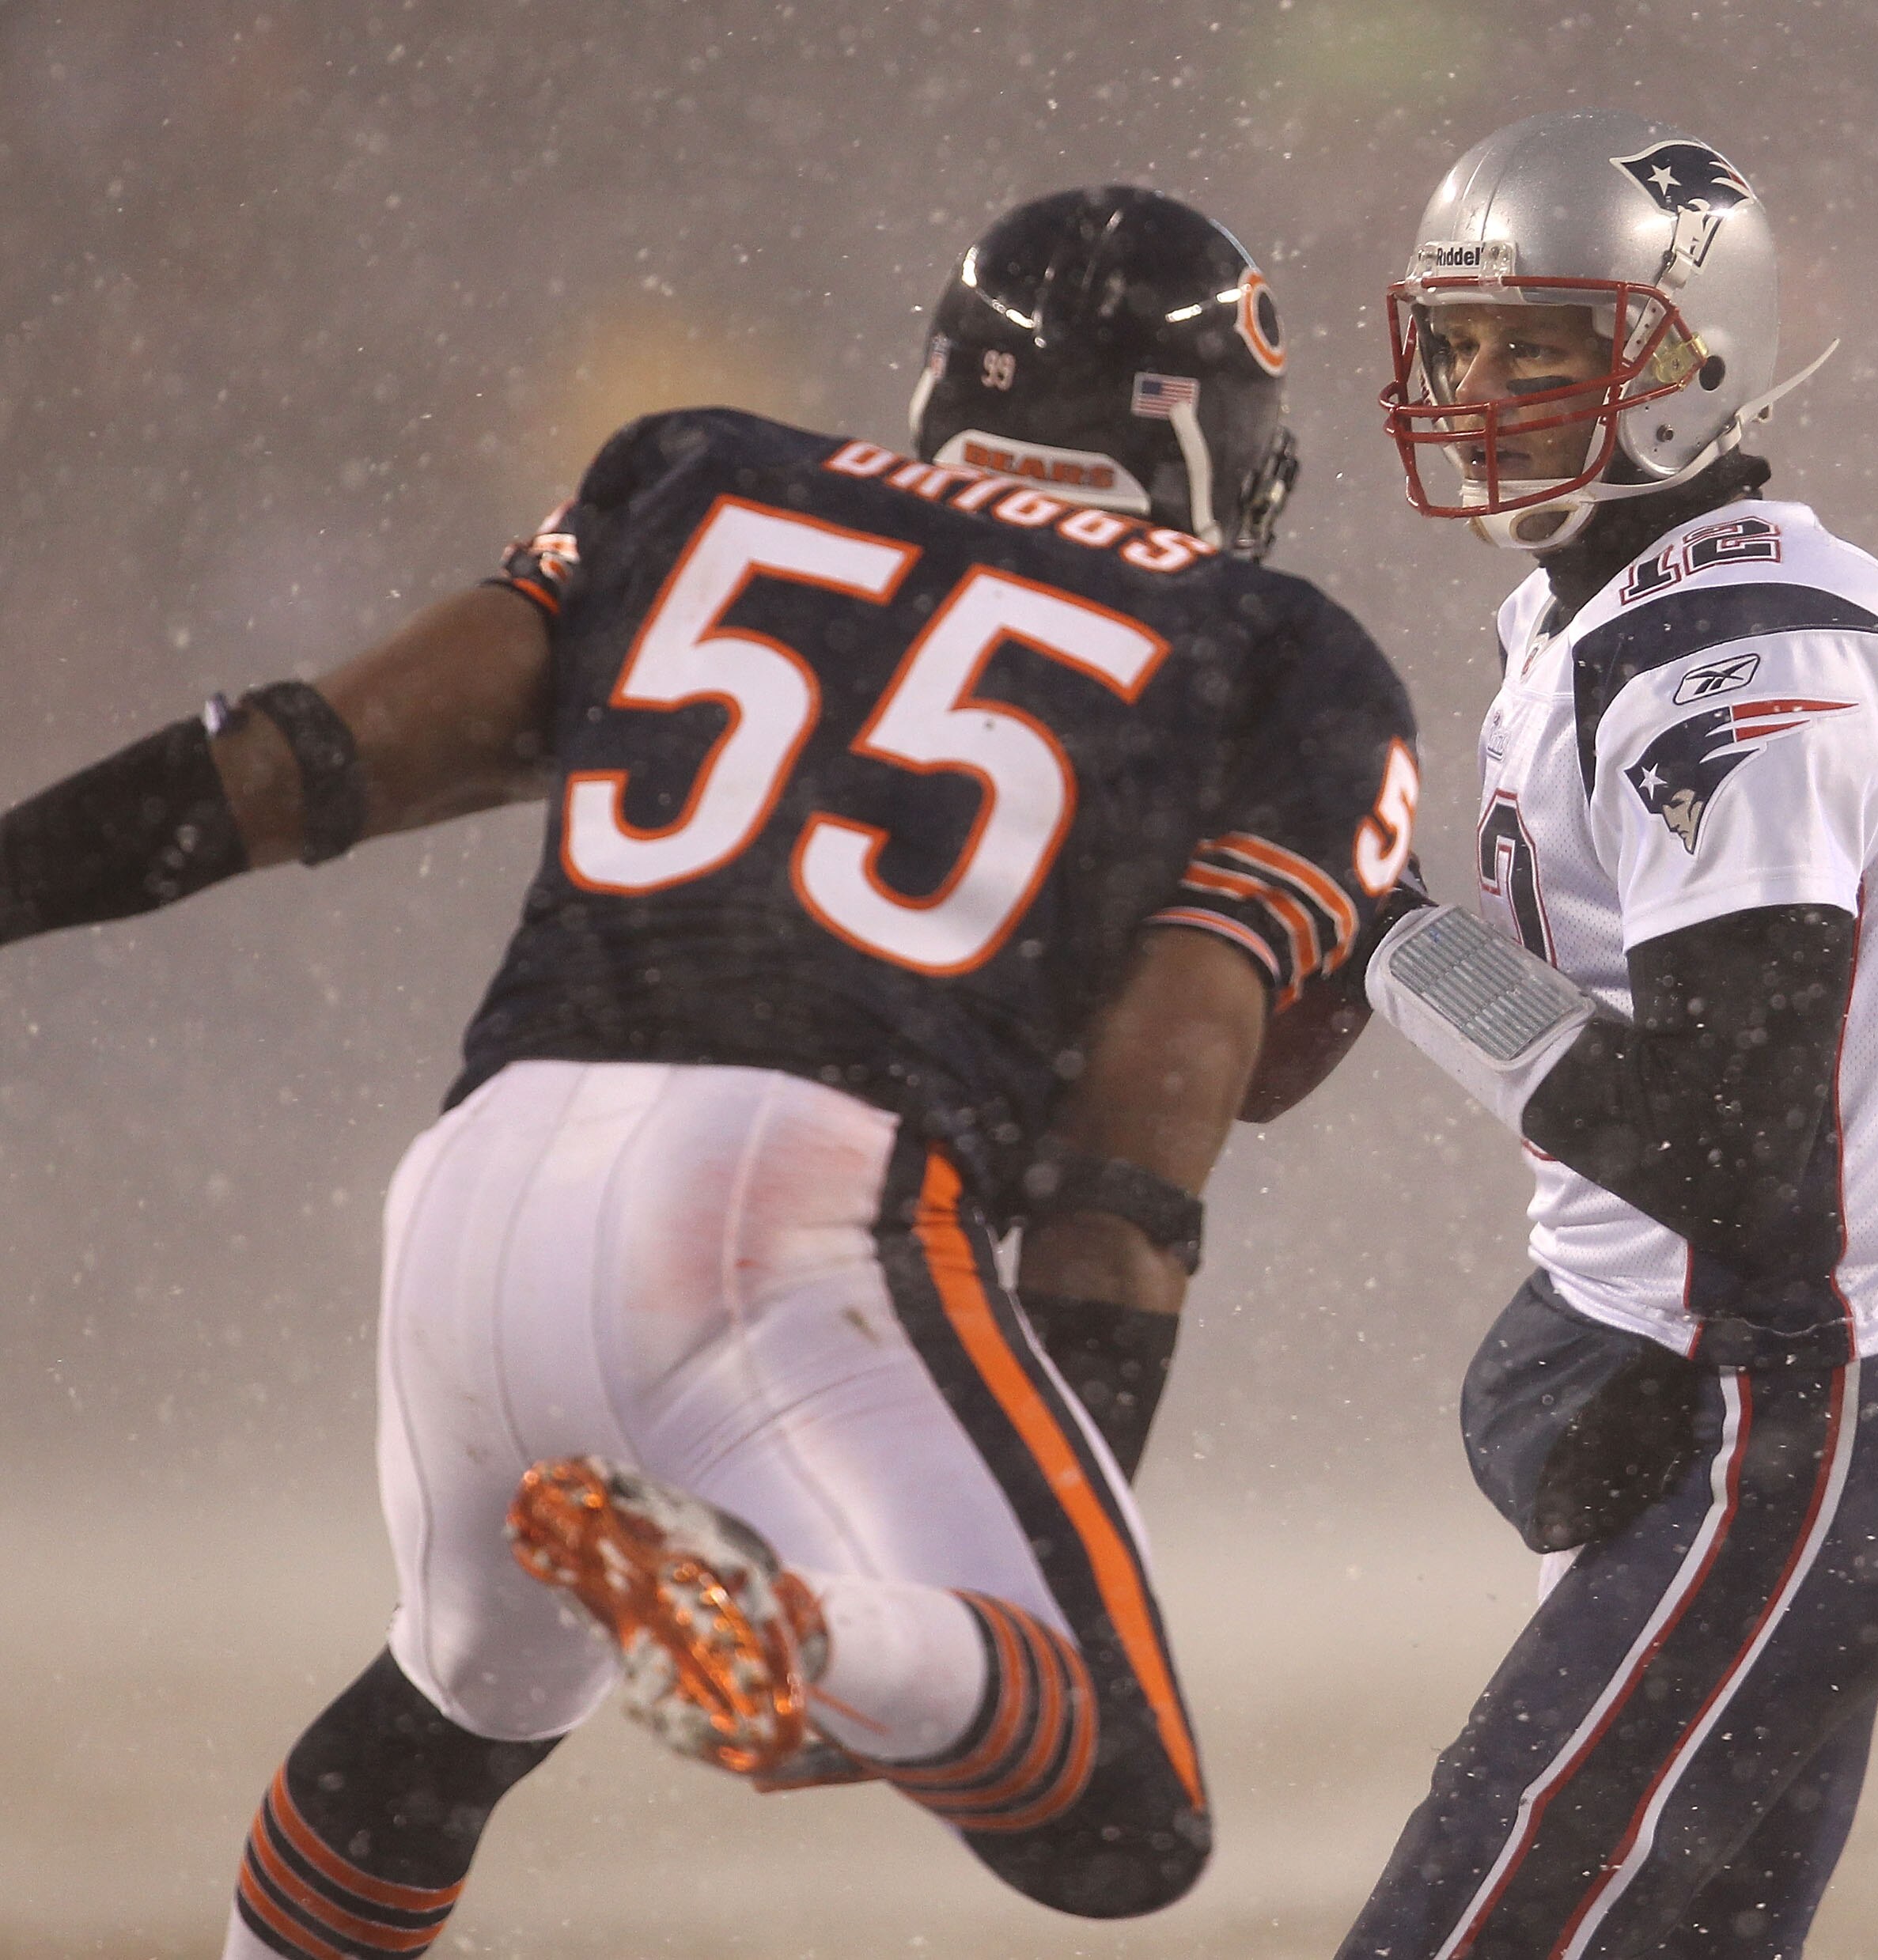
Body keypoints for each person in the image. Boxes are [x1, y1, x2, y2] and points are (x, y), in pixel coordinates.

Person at [0, 185, 1418, 1958]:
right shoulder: (1277, 652)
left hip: (482, 1188)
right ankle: (807, 1634)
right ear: (1218, 441)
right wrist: (1073, 1509)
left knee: (442, 1722)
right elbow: (1156, 1104)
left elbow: (308, 759)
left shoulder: (702, 473)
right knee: (1116, 1812)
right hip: (793, 1208)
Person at [1342, 110, 1878, 1959]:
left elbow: (1737, 1157)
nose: (1480, 394)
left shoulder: (1737, 654)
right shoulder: (1605, 612)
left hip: (1796, 1416)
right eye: (1459, 343)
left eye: (1544, 346)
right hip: (1750, 1400)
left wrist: (1389, 948)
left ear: (1688, 361)